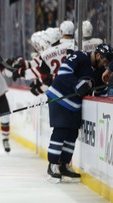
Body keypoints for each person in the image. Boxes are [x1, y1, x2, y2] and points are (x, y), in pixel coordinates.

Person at [45, 43, 113, 183]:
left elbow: (100, 92)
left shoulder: (100, 70)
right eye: (105, 60)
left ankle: (64, 165)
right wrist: (77, 84)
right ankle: (53, 165)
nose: (105, 64)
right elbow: (63, 72)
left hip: (75, 104)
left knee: (72, 133)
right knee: (61, 130)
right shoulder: (81, 56)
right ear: (98, 55)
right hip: (59, 96)